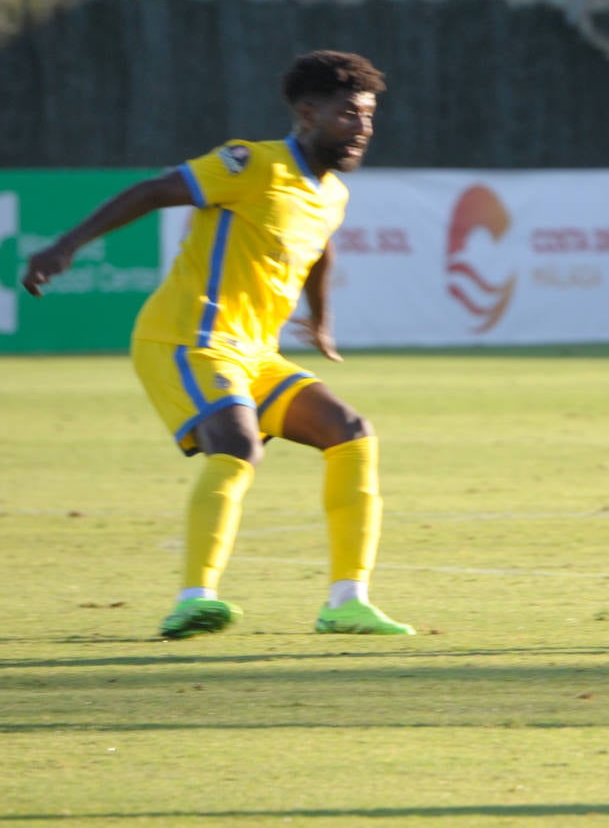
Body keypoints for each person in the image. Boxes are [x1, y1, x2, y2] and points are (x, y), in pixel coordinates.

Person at [22, 50, 415, 640]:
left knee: (350, 432)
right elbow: (156, 191)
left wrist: (320, 320)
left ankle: (346, 602)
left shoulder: (331, 194)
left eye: (368, 116)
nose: (363, 128)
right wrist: (67, 246)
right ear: (307, 112)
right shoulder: (251, 163)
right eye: (349, 114)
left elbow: (320, 248)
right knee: (236, 443)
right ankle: (194, 598)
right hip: (186, 339)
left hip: (252, 352)